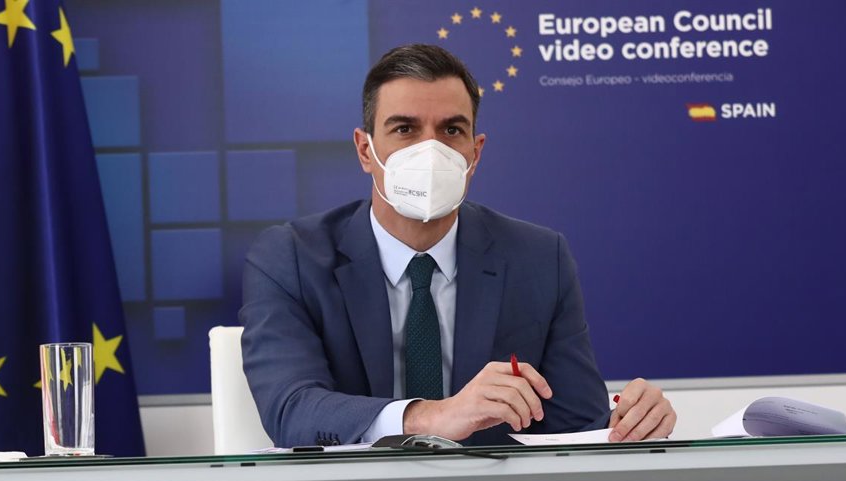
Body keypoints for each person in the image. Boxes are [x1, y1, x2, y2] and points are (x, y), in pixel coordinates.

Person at [240, 44, 676, 448]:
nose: (430, 151)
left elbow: (575, 427)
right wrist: (432, 417)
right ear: (365, 150)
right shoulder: (291, 259)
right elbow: (291, 410)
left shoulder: (540, 260)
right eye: (405, 129)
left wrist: (628, 425)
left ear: (476, 152)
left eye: (451, 129)